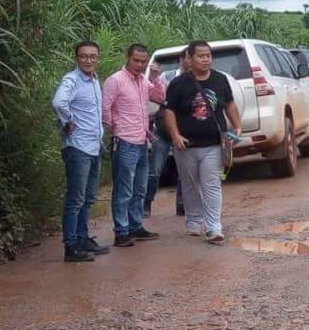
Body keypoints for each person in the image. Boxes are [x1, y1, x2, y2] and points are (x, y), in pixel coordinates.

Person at [163, 40, 242, 244]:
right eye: (201, 55)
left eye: (208, 55)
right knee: (190, 185)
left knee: (211, 184)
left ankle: (214, 227)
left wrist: (237, 126)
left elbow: (230, 104)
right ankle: (194, 220)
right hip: (186, 146)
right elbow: (169, 111)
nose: (206, 59)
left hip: (214, 144)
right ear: (189, 58)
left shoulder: (220, 80)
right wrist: (176, 136)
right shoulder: (178, 84)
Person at [51, 41, 110, 262]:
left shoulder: (94, 80)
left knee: (88, 197)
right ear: (77, 58)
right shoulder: (72, 80)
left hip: (93, 147)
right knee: (75, 198)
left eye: (92, 56)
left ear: (98, 58)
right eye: (84, 56)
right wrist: (67, 121)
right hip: (77, 147)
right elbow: (59, 102)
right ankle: (71, 246)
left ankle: (83, 238)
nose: (88, 60)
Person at [102, 44, 164, 247]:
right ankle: (121, 230)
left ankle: (136, 225)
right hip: (125, 141)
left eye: (143, 61)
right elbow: (105, 109)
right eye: (136, 60)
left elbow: (160, 98)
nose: (139, 64)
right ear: (127, 57)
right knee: (123, 189)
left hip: (141, 141)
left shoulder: (143, 81)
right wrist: (116, 129)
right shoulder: (115, 80)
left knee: (139, 188)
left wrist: (155, 79)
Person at [144, 48, 189, 217]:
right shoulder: (166, 77)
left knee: (184, 171)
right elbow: (153, 95)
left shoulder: (196, 81)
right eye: (189, 58)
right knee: (154, 171)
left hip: (183, 132)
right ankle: (146, 203)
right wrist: (153, 78)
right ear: (182, 59)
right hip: (162, 131)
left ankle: (182, 204)